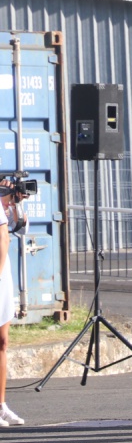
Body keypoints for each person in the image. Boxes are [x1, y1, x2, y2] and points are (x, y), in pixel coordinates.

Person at [0, 180, 29, 427]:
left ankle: (1, 405)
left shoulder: (5, 205)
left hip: (3, 277)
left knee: (2, 342)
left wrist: (15, 203)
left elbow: (19, 229)